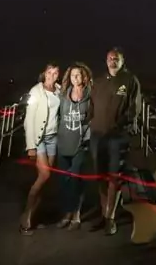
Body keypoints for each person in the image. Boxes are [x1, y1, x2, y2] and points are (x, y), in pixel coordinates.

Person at [88, 47, 141, 234]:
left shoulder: (130, 80)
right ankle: (104, 214)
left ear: (123, 60)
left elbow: (134, 109)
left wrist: (119, 125)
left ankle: (110, 218)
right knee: (100, 176)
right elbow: (90, 106)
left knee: (114, 177)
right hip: (97, 135)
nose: (113, 60)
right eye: (110, 58)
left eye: (116, 58)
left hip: (117, 137)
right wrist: (88, 122)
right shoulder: (99, 82)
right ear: (106, 60)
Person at [20, 62, 61, 234]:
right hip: (40, 139)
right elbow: (29, 120)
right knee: (45, 175)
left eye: (55, 73)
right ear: (44, 74)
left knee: (45, 180)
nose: (52, 75)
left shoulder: (59, 90)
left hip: (53, 138)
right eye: (49, 72)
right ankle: (26, 217)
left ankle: (35, 216)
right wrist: (31, 146)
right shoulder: (36, 91)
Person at [55, 62, 93, 230]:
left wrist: (88, 137)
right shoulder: (63, 95)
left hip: (81, 143)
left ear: (84, 77)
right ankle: (67, 213)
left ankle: (76, 214)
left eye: (78, 75)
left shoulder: (90, 95)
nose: (75, 78)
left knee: (76, 178)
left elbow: (94, 118)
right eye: (72, 75)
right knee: (64, 180)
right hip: (64, 143)